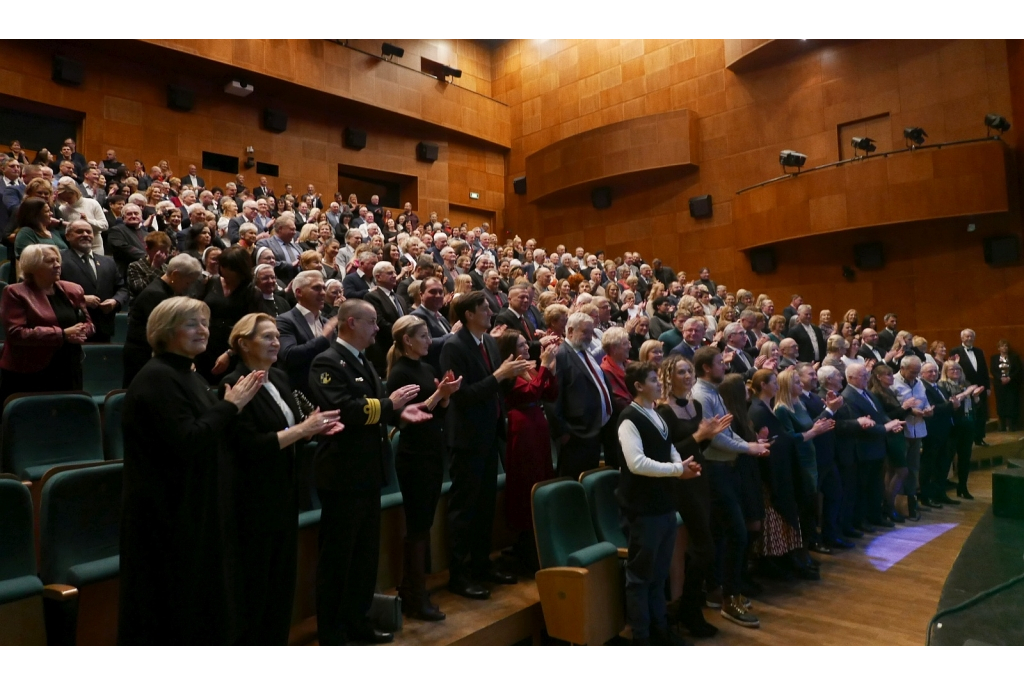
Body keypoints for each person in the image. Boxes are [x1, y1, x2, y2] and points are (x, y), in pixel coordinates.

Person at [119, 297, 264, 645]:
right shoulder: (158, 378)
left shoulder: (186, 374)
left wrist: (230, 410)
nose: (203, 330)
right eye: (191, 324)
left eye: (204, 323)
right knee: (171, 616)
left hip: (195, 508)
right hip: (168, 516)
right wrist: (230, 407)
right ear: (165, 332)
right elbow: (188, 440)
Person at [308, 299, 430, 645]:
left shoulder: (361, 360)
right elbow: (346, 409)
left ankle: (357, 622)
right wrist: (392, 406)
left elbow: (373, 409)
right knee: (339, 559)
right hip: (343, 475)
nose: (378, 328)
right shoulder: (327, 361)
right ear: (350, 322)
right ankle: (333, 632)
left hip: (368, 473)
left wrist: (398, 415)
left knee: (363, 558)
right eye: (371, 322)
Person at [219, 313, 343, 644]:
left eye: (277, 336)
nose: (276, 342)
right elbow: (248, 446)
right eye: (267, 337)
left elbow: (292, 430)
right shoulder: (234, 383)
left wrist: (313, 428)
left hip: (285, 492)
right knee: (255, 588)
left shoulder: (280, 379)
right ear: (244, 344)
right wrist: (301, 430)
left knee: (280, 585)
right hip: (253, 498)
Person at [440, 291, 532, 599]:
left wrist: (512, 374)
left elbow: (496, 387)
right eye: (485, 309)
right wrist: (499, 375)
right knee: (464, 508)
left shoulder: (489, 342)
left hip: (489, 433)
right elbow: (462, 396)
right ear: (468, 314)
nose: (491, 314)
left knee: (484, 506)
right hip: (466, 438)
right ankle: (460, 573)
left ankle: (481, 565)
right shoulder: (453, 346)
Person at [617, 361, 702, 645]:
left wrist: (681, 463)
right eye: (654, 380)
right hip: (642, 509)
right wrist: (678, 471)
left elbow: (671, 448)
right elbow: (637, 463)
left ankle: (660, 632)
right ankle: (642, 638)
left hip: (664, 504)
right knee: (640, 579)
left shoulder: (656, 413)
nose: (659, 383)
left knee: (658, 576)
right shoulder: (630, 418)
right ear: (639, 386)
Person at [386, 315, 463, 621]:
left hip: (432, 450)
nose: (430, 341)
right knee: (417, 525)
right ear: (407, 340)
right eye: (423, 336)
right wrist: (438, 396)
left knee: (424, 522)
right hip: (414, 454)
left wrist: (445, 397)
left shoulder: (426, 367)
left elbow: (438, 413)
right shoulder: (399, 373)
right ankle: (414, 594)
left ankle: (413, 589)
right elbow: (406, 417)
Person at [689, 347, 768, 628]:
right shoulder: (701, 395)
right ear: (707, 368)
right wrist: (749, 447)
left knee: (724, 533)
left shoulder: (714, 391)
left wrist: (750, 445)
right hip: (714, 470)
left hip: (726, 468)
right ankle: (729, 599)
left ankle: (720, 589)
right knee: (736, 532)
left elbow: (727, 430)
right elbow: (716, 438)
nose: (726, 366)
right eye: (720, 363)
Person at [656, 355, 731, 638]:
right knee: (705, 547)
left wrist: (710, 434)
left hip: (700, 477)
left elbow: (701, 443)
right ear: (668, 377)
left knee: (703, 545)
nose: (688, 376)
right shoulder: (663, 410)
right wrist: (700, 437)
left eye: (689, 371)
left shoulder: (696, 405)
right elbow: (670, 451)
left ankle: (687, 604)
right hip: (679, 482)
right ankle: (688, 608)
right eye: (681, 372)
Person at [495, 329, 557, 570]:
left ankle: (538, 539)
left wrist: (551, 370)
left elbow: (550, 393)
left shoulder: (529, 367)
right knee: (527, 478)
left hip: (538, 425)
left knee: (542, 474)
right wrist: (543, 367)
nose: (526, 349)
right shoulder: (510, 371)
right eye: (521, 345)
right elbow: (530, 392)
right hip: (522, 426)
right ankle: (526, 543)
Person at [0, 244, 93, 403]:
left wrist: (82, 331)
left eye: (58, 260)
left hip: (69, 366)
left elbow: (88, 323)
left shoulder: (73, 290)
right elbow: (16, 333)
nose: (57, 265)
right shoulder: (15, 292)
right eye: (50, 261)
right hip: (29, 371)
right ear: (33, 265)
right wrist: (62, 334)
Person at [546, 311, 613, 480]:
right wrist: (563, 432)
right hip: (577, 434)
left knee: (590, 478)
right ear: (570, 331)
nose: (590, 337)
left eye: (591, 333)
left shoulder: (583, 351)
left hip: (595, 429)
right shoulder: (561, 355)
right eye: (585, 332)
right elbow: (552, 397)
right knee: (576, 480)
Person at [842, 363, 905, 532]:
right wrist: (886, 427)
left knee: (876, 486)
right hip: (864, 449)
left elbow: (879, 414)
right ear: (850, 378)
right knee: (863, 488)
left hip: (877, 447)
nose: (867, 378)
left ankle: (875, 516)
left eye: (866, 375)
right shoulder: (848, 396)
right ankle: (861, 520)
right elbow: (862, 425)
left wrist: (891, 424)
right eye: (862, 376)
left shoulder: (867, 393)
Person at [122, 254, 201, 387]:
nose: (189, 287)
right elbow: (163, 332)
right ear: (175, 275)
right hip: (143, 356)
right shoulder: (156, 294)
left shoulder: (165, 290)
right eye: (188, 282)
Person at [58, 221, 128, 343]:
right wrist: (80, 299)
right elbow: (50, 289)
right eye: (79, 231)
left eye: (89, 232)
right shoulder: (59, 259)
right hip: (72, 327)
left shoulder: (108, 261)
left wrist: (115, 301)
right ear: (68, 236)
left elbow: (122, 288)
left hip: (104, 327)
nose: (85, 234)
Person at [195, 246, 256, 383]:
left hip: (234, 348)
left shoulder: (251, 291)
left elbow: (251, 327)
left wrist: (230, 353)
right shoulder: (210, 282)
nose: (225, 271)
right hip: (206, 343)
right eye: (223, 266)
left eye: (231, 269)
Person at [275, 270, 335, 397]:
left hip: (328, 389)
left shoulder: (325, 322)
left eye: (324, 288)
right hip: (300, 392)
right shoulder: (284, 320)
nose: (323, 293)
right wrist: (323, 339)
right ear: (299, 292)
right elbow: (289, 355)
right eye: (317, 288)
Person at [868, 363, 915, 523]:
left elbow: (897, 413)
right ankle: (888, 506)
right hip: (890, 435)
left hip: (897, 432)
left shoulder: (887, 391)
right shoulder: (876, 393)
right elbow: (885, 415)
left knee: (892, 472)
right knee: (902, 471)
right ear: (879, 377)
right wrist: (904, 407)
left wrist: (908, 408)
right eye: (887, 374)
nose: (891, 377)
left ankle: (889, 506)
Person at [940, 360, 984, 500]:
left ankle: (963, 487)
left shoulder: (966, 383)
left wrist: (976, 397)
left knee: (965, 458)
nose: (956, 371)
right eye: (952, 369)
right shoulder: (943, 385)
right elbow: (951, 402)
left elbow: (976, 405)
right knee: (948, 457)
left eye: (958, 369)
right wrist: (967, 393)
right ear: (945, 372)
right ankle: (941, 490)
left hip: (968, 423)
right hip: (953, 426)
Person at [600, 327, 633, 469]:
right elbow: (618, 401)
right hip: (617, 427)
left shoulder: (630, 365)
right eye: (626, 343)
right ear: (614, 348)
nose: (630, 346)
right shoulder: (605, 370)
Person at [14, 196, 67, 261]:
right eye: (47, 211)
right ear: (35, 215)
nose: (51, 213)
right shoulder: (26, 232)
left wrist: (59, 223)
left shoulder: (53, 231)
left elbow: (76, 230)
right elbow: (27, 260)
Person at [127, 230, 171, 299]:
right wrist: (155, 267)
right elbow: (141, 291)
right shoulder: (135, 266)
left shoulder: (167, 267)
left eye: (166, 253)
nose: (163, 256)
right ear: (148, 250)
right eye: (159, 253)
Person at [991, 339, 1021, 432]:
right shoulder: (994, 358)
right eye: (1003, 346)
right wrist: (1001, 378)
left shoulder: (1014, 357)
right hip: (999, 384)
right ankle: (1002, 425)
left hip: (1011, 384)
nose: (1005, 348)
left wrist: (1009, 378)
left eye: (1006, 346)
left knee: (1012, 403)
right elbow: (993, 370)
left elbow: (1018, 369)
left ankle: (1012, 425)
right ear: (998, 348)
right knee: (1001, 403)